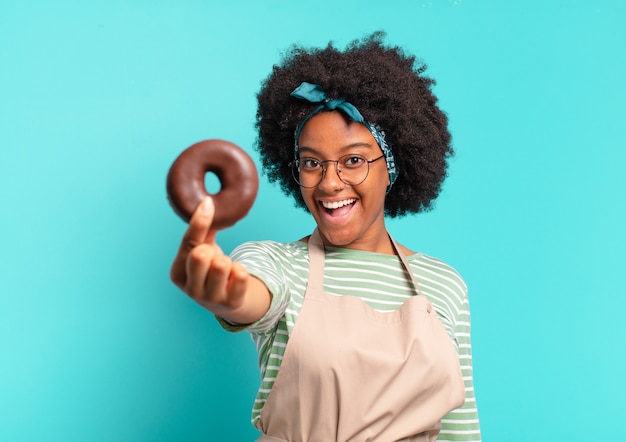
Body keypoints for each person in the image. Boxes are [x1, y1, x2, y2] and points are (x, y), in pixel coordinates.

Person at [170, 31, 481, 441]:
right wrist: (226, 295)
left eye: (353, 160)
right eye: (311, 163)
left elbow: (460, 429)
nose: (330, 183)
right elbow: (253, 296)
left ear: (393, 166)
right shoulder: (276, 264)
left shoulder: (444, 284)